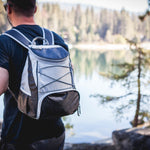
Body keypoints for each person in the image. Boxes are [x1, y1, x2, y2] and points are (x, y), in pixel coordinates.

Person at [0, 0, 68, 149]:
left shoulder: (4, 41)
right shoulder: (56, 39)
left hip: (20, 138)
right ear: (35, 9)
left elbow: (1, 85)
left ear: (9, 9)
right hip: (55, 134)